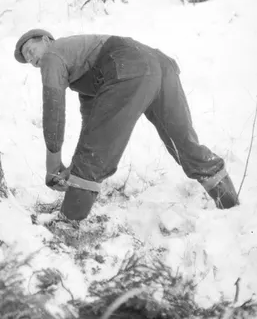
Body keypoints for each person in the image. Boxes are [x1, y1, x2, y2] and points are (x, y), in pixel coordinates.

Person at [14, 30, 239, 221]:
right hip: (159, 64)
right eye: (27, 58)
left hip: (128, 64)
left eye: (31, 50)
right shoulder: (82, 62)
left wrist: (52, 165)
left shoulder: (53, 55)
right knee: (183, 144)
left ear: (46, 40)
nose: (32, 60)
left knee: (93, 158)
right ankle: (230, 206)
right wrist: (72, 169)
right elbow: (92, 126)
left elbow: (53, 113)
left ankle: (67, 223)